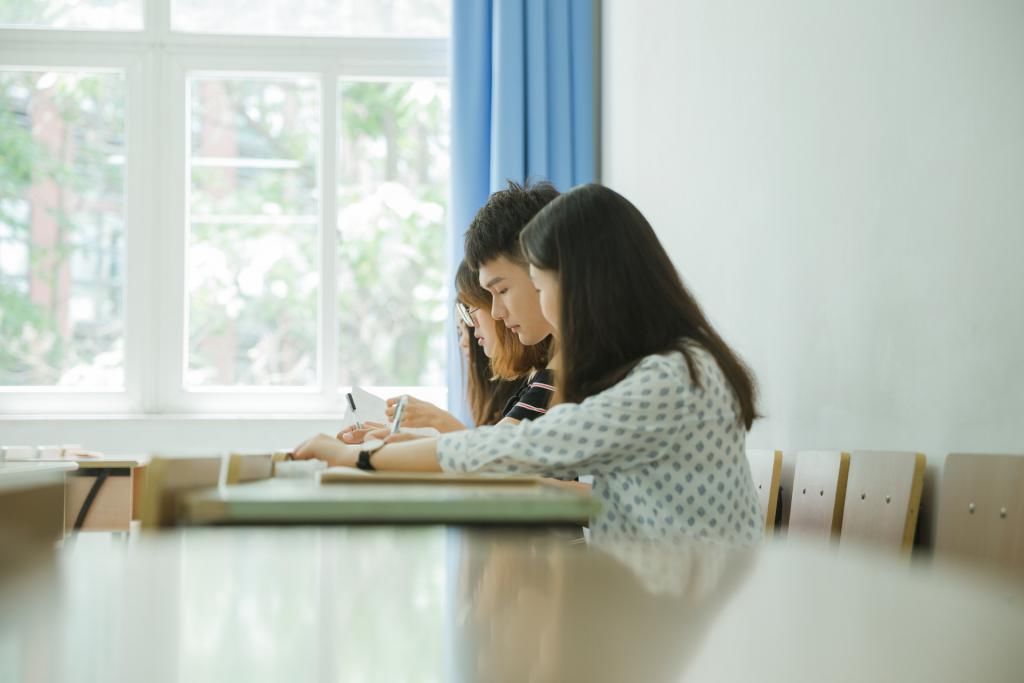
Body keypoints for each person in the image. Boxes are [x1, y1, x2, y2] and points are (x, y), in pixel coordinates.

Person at [299, 184, 762, 544]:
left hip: (692, 624)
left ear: (585, 284)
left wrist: (360, 456)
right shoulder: (675, 365)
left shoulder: (669, 380)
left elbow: (524, 447)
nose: (502, 313)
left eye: (540, 287)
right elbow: (578, 487)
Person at [343, 181, 560, 439]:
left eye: (501, 291)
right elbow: (495, 455)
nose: (495, 313)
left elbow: (489, 456)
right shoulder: (545, 380)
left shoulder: (557, 380)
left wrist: (392, 445)